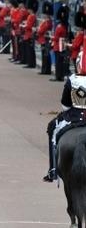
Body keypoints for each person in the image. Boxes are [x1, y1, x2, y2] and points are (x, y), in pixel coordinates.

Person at [44, 42, 86, 182]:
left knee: (52, 128)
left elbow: (65, 105)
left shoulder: (72, 79)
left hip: (74, 117)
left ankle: (53, 170)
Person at [53, 6, 70, 82]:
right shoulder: (65, 26)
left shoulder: (59, 27)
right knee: (61, 61)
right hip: (62, 44)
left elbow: (56, 38)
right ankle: (61, 76)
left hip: (58, 45)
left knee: (58, 61)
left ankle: (58, 76)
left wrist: (51, 38)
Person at [38, 1, 54, 75]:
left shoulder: (47, 22)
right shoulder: (47, 21)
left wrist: (38, 29)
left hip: (45, 40)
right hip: (43, 39)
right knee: (45, 55)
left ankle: (45, 70)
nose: (45, 15)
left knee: (45, 56)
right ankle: (45, 69)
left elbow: (41, 30)